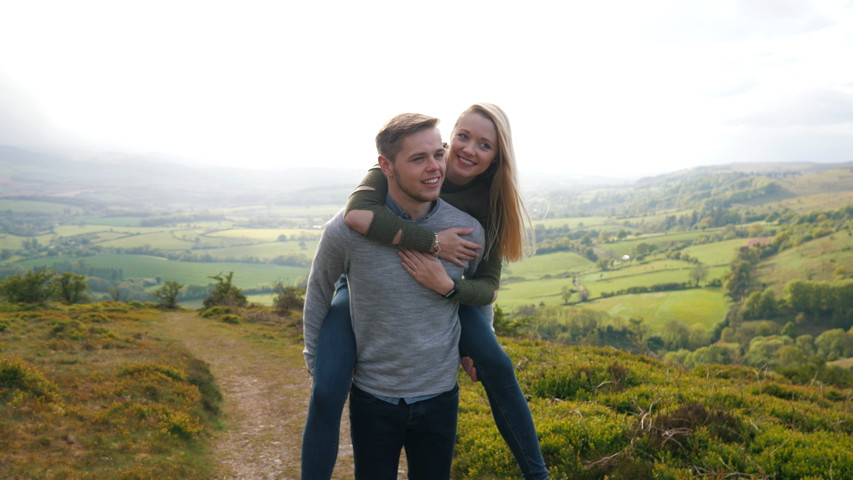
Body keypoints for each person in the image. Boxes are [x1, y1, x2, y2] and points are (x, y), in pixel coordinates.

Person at [302, 103, 549, 480]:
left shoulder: (488, 208)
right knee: (326, 389)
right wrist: (432, 242)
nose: (467, 150)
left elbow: (487, 288)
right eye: (462, 137)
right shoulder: (400, 165)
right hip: (359, 287)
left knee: (497, 365)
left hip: (448, 287)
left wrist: (476, 339)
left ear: (497, 157)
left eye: (485, 145)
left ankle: (537, 474)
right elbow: (356, 216)